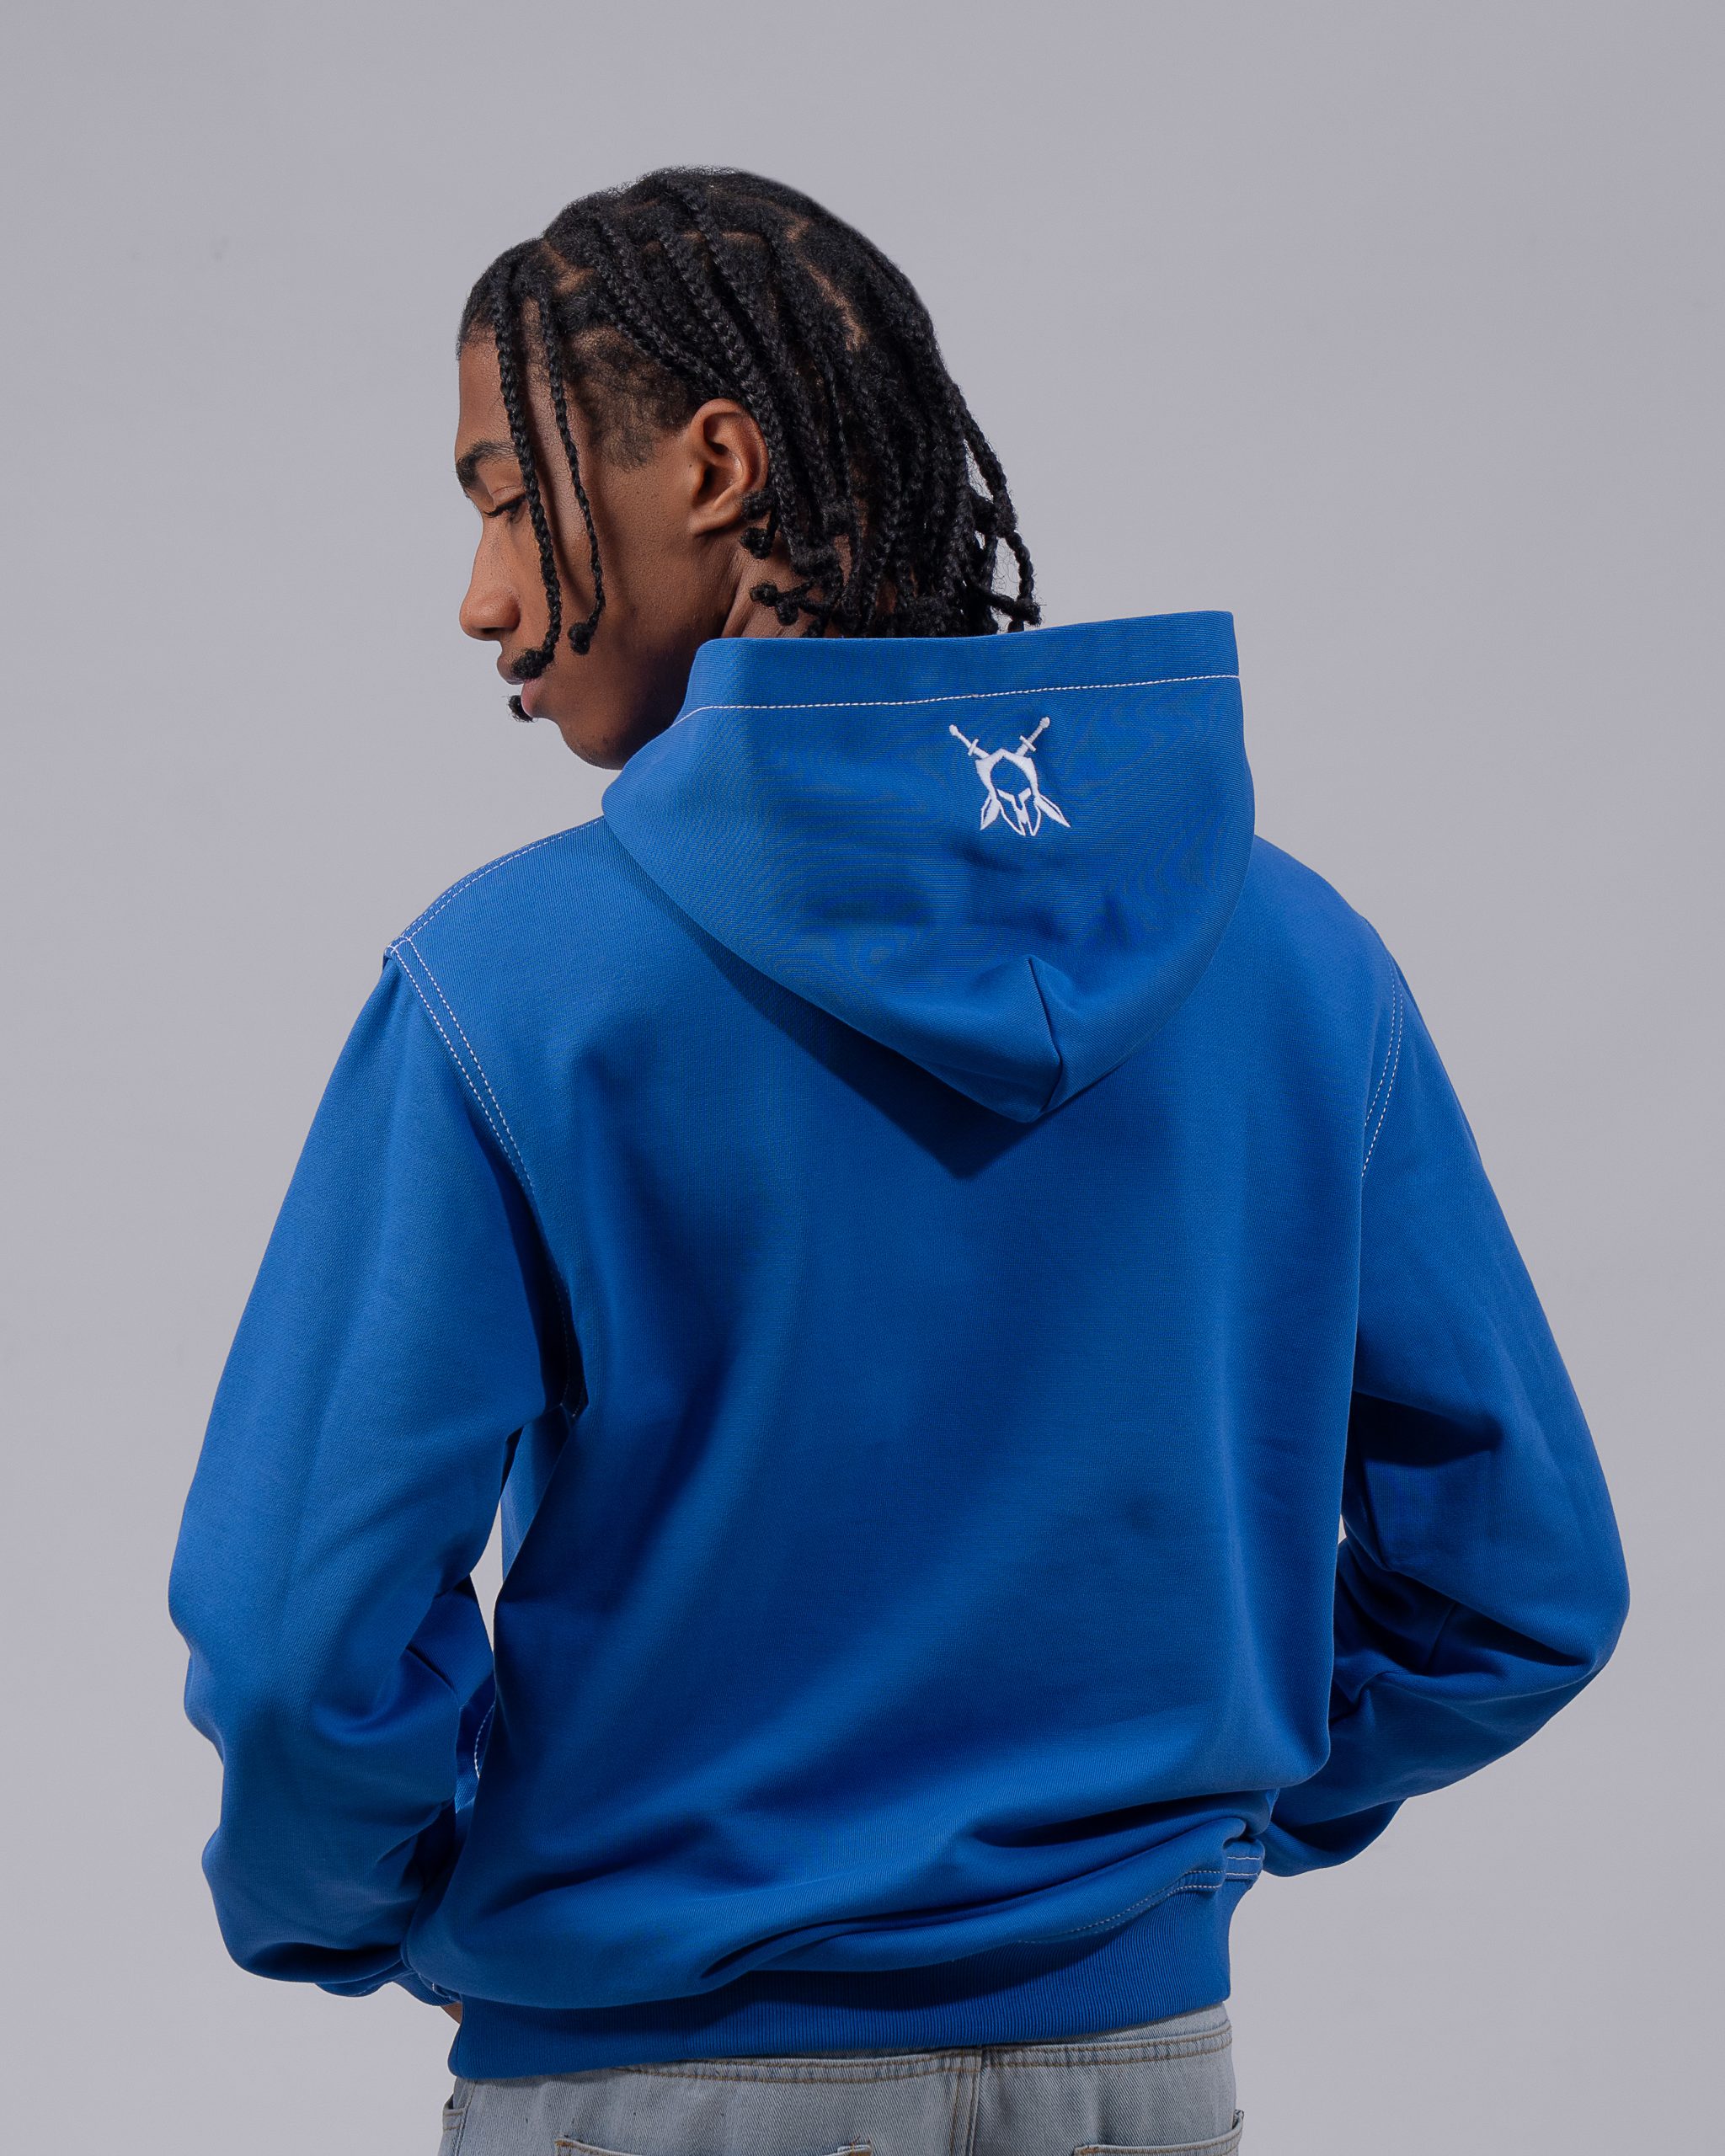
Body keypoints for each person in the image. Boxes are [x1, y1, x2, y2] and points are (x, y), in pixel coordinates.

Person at [168, 169, 1629, 2156]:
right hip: (1139, 2077)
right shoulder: (1296, 962)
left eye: (506, 497)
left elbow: (296, 1639)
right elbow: (1521, 1581)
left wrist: (373, 1912)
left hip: (650, 2076)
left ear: (712, 467)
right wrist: (1164, 1837)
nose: (482, 596)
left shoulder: (513, 989)